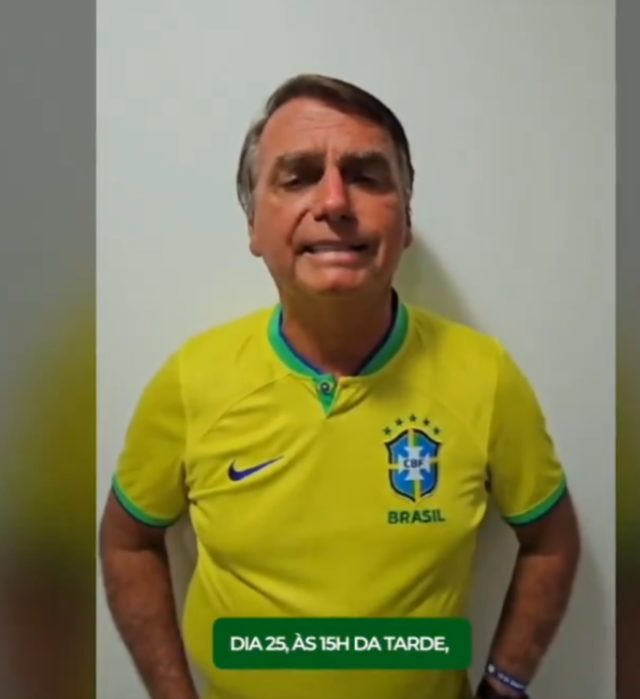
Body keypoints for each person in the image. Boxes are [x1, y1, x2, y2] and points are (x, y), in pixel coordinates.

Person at [99, 73, 580, 699]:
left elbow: (551, 542)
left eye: (366, 175)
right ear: (253, 226)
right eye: (298, 176)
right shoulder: (193, 381)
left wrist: (505, 686)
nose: (333, 201)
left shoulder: (484, 377)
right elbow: (127, 541)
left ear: (405, 220)